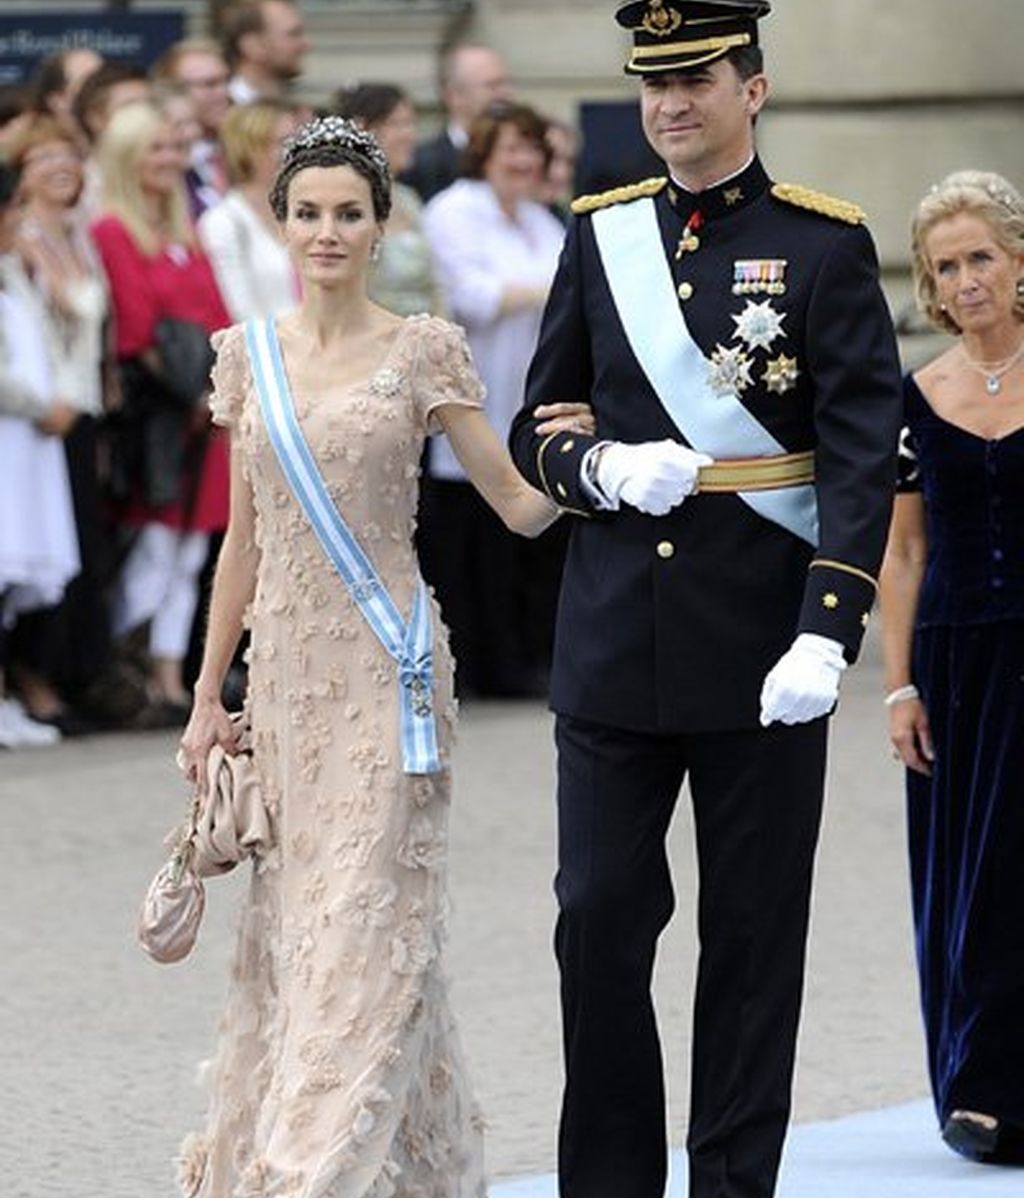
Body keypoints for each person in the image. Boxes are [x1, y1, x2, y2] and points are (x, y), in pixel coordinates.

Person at [508, 4, 903, 1197]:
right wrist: (601, 469)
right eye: (655, 85)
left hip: (760, 652)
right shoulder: (602, 237)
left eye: (697, 79)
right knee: (599, 924)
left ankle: (733, 1182)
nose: (671, 104)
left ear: (755, 89)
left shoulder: (824, 247)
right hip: (615, 640)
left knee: (748, 945)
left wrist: (827, 633)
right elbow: (540, 423)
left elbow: (857, 453)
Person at [175, 114, 592, 1198]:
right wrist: (205, 695)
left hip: (389, 673)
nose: (326, 230)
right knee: (306, 928)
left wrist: (609, 463)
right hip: (284, 688)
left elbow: (509, 500)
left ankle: (312, 1175)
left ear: (378, 225)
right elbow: (244, 542)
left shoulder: (424, 348)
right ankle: (414, 1173)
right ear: (280, 224)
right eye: (306, 212)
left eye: (346, 212)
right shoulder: (245, 355)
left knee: (367, 920)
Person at [879, 170, 1024, 1165]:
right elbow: (901, 554)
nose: (965, 280)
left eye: (980, 258)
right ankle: (981, 1087)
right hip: (957, 659)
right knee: (973, 877)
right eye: (946, 267)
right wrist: (895, 686)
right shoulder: (916, 393)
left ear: (1017, 263)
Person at [91, 101, 231, 723]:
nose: (169, 161)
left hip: (203, 411)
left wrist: (216, 392)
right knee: (150, 550)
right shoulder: (113, 231)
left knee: (190, 554)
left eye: (174, 149)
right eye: (155, 149)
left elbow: (220, 315)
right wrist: (194, 394)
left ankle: (172, 682)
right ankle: (121, 670)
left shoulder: (183, 232)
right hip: (159, 419)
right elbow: (138, 330)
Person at [423, 102, 567, 697]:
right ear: (483, 152)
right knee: (469, 542)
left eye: (532, 148)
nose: (524, 160)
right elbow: (474, 296)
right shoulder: (455, 211)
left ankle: (524, 659)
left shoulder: (540, 220)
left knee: (527, 536)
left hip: (528, 396)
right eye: (511, 147)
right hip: (470, 397)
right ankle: (474, 664)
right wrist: (542, 289)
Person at [4, 113, 111, 730]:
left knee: (73, 549)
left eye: (68, 154)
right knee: (28, 547)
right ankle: (28, 678)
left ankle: (56, 677)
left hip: (82, 405)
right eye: (43, 157)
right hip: (39, 412)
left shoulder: (80, 235)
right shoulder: (20, 244)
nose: (60, 167)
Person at [0, 160, 77, 748]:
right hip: (14, 431)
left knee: (13, 578)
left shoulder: (14, 273)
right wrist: (39, 403)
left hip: (25, 446)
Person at [334, 82, 444, 318]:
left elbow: (436, 284)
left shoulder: (408, 199)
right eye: (397, 124)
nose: (410, 134)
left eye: (410, 123)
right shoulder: (346, 203)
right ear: (365, 130)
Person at [197, 98, 301, 321]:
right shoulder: (223, 220)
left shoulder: (305, 213)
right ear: (250, 150)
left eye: (297, 142)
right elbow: (239, 312)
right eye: (283, 143)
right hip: (266, 348)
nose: (295, 153)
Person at [401, 42, 511, 203]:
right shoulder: (421, 166)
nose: (504, 94)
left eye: (505, 84)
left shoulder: (526, 162)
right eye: (492, 86)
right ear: (454, 95)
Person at [151, 39, 233, 218]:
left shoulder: (241, 147)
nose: (224, 92)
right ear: (171, 89)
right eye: (210, 84)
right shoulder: (157, 164)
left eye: (227, 81)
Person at [221, 0, 309, 106]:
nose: (306, 45)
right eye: (293, 34)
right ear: (253, 45)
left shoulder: (298, 112)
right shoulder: (223, 113)